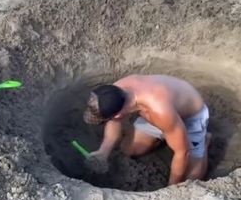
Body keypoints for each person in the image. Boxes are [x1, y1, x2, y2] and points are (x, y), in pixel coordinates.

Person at [83, 74, 211, 185]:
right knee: (128, 149)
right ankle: (165, 136)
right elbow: (114, 122)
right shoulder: (113, 92)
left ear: (118, 115)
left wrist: (172, 188)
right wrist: (103, 152)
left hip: (189, 117)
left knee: (190, 180)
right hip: (159, 116)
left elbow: (182, 152)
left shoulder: (159, 110)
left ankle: (204, 142)